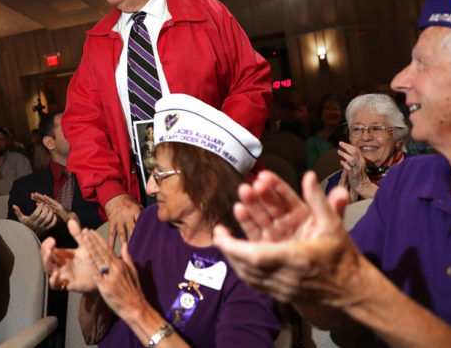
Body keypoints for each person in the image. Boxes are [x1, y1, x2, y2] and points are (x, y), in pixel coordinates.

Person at [213, 0, 451, 347]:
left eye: (422, 64)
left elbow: (358, 295)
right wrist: (305, 277)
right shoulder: (406, 184)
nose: (399, 80)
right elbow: (333, 316)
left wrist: (365, 295)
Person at [62, 0, 271, 246]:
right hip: (145, 203)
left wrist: (218, 157)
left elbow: (251, 82)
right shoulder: (98, 41)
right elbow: (83, 123)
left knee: (229, 285)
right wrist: (112, 193)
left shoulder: (208, 14)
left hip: (221, 190)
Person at [43, 94, 279, 347]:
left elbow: (131, 308)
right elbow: (93, 335)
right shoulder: (151, 222)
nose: (150, 187)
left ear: (208, 183)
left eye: (160, 174)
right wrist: (96, 288)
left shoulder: (251, 264)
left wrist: (136, 308)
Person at [8, 110, 102, 247]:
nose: (79, 130)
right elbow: (10, 234)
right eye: (68, 126)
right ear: (50, 143)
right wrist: (28, 231)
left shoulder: (102, 174)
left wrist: (73, 217)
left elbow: (114, 214)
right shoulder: (23, 186)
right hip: (45, 262)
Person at [324, 93, 408, 201]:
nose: (365, 137)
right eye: (357, 129)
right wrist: (347, 212)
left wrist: (366, 187)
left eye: (377, 129)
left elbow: (418, 215)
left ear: (399, 137)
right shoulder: (337, 183)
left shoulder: (422, 175)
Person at [304, 93, 344, 169]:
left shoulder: (350, 137)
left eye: (335, 109)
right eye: (327, 109)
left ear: (342, 113)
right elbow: (313, 169)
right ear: (321, 113)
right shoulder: (312, 142)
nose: (331, 112)